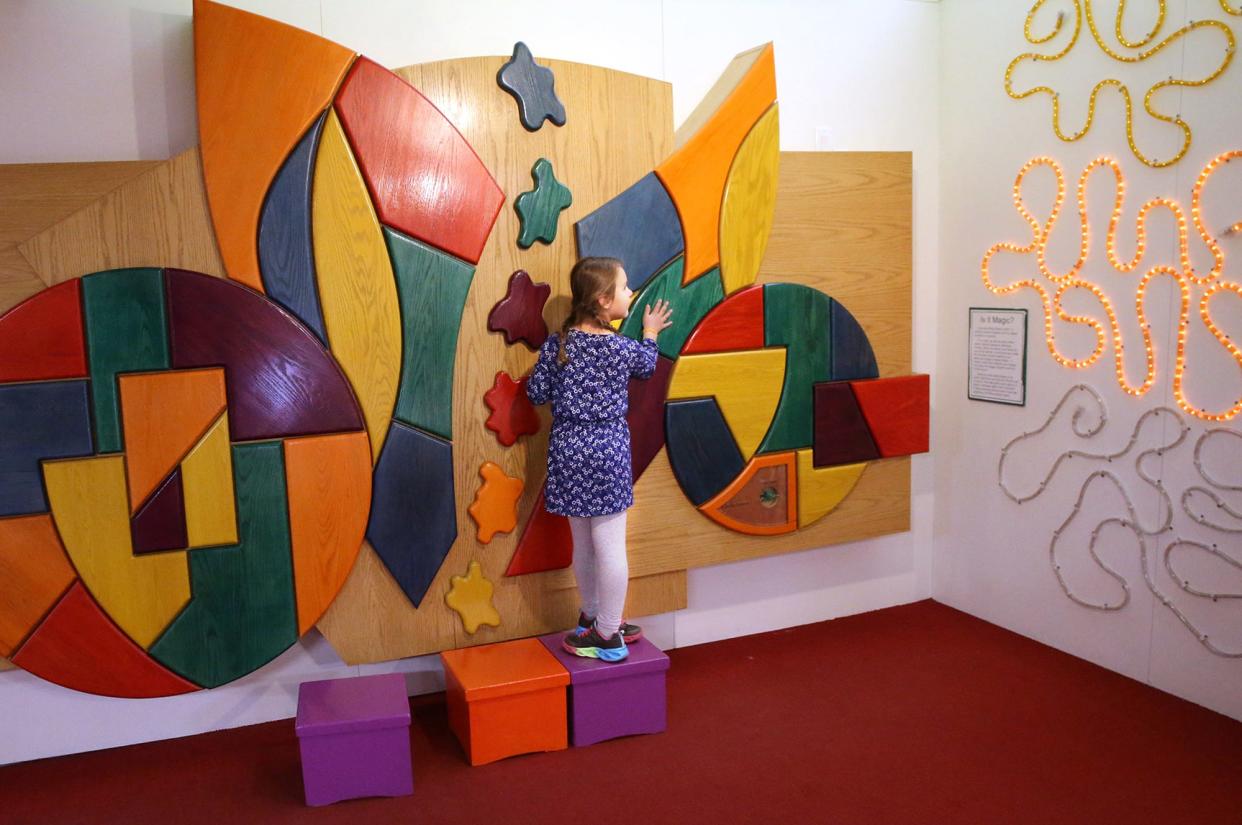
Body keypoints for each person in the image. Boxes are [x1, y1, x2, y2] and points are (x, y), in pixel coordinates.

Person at [525, 256, 672, 662]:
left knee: (583, 542)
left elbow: (536, 394)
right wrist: (650, 332)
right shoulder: (621, 348)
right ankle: (607, 633)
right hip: (607, 449)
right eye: (625, 288)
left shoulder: (560, 345)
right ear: (605, 301)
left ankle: (591, 616)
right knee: (610, 545)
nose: (631, 293)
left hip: (569, 449)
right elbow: (646, 366)